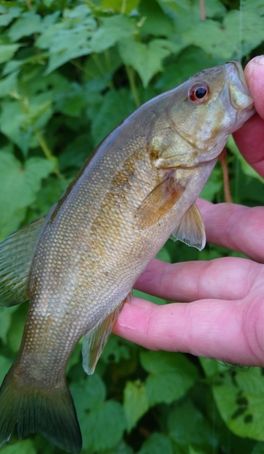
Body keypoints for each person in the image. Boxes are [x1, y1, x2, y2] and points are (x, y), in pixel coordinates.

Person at [114, 56, 264, 367]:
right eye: (200, 94)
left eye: (200, 93)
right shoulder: (171, 169)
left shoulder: (177, 170)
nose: (205, 93)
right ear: (160, 144)